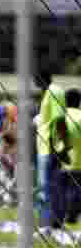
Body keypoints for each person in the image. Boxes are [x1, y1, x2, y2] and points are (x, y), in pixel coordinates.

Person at [35, 75, 69, 228]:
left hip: (48, 147)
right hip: (49, 146)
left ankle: (46, 224)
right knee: (54, 187)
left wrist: (60, 146)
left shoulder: (52, 92)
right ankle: (54, 222)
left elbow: (60, 119)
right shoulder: (52, 92)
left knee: (45, 187)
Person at [59, 89, 81, 225]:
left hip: (62, 162)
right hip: (79, 162)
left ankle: (63, 215)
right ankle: (72, 216)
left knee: (63, 191)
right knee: (76, 191)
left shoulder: (61, 116)